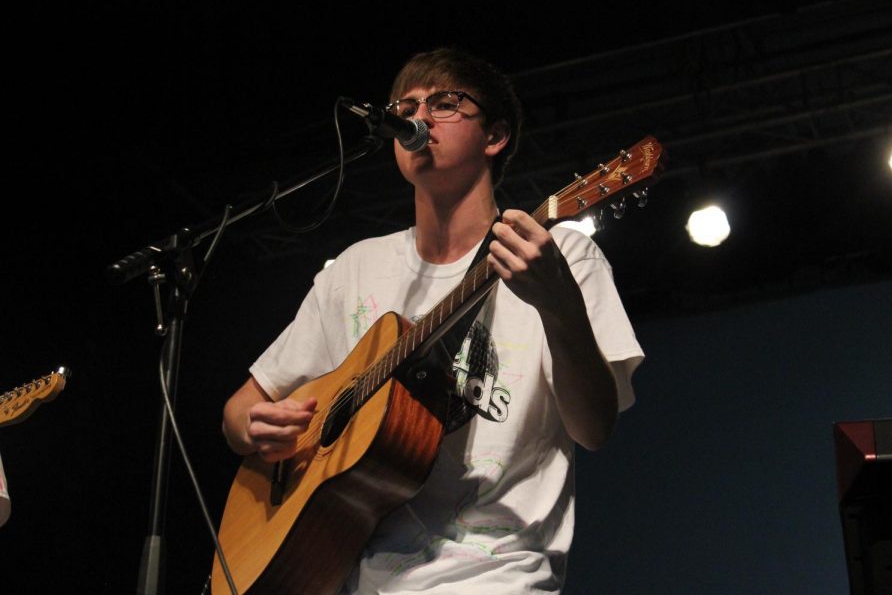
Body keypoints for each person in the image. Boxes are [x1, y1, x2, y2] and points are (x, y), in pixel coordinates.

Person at [221, 47, 644, 594]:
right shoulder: (356, 268)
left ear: (494, 137)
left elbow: (594, 429)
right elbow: (239, 410)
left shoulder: (560, 257)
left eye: (445, 103)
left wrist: (559, 307)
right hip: (350, 574)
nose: (418, 117)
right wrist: (255, 428)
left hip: (496, 576)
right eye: (407, 104)